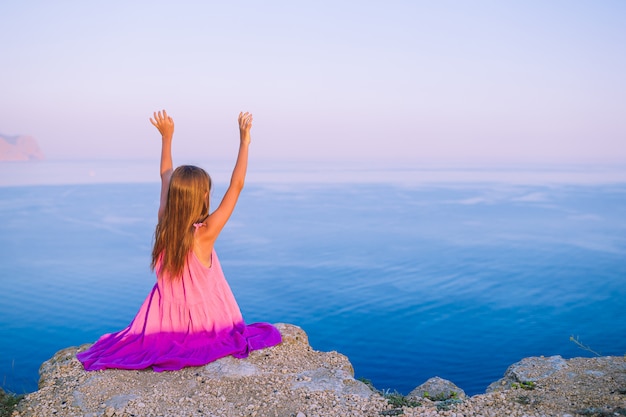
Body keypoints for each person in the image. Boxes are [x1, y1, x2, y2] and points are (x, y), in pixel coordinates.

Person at [77, 110, 282, 371]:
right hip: (206, 320)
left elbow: (165, 174)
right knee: (267, 333)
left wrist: (166, 137)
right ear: (204, 194)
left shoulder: (164, 223)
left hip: (163, 319)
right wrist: (244, 142)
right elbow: (237, 185)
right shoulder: (205, 232)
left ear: (175, 195)